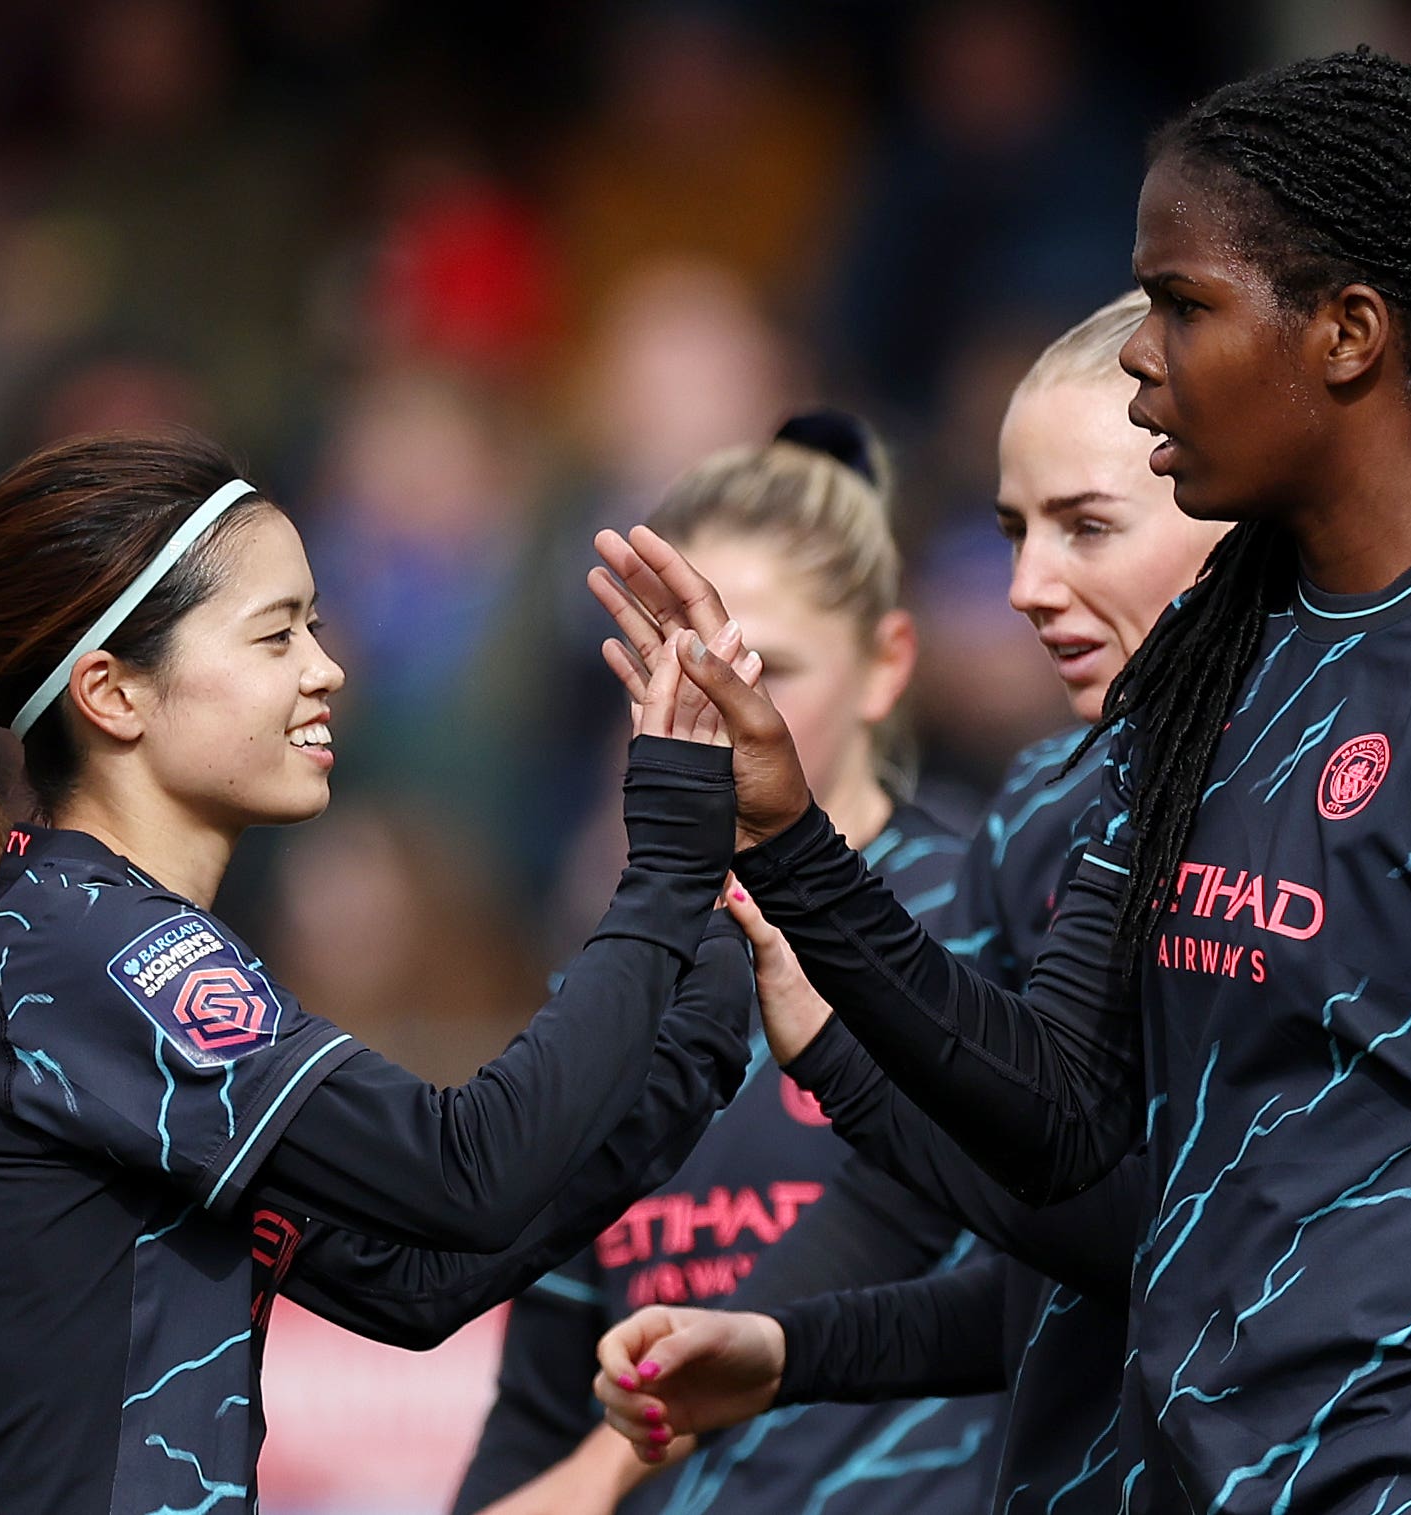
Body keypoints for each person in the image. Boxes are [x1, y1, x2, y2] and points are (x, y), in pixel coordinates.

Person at [590, 51, 1411, 1515]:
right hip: (1201, 1471)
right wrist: (798, 845)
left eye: (1182, 304)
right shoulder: (1213, 670)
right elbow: (1070, 1127)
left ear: (1347, 333)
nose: (1140, 354)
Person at [0, 429, 758, 1514]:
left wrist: (702, 1013)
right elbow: (467, 1171)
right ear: (113, 694)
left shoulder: (84, 939)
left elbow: (414, 1280)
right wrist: (671, 856)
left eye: (313, 623)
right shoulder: (104, 953)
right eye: (276, 636)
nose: (326, 668)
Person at [584, 292, 1223, 1515]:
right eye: (1011, 531)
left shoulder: (1337, 773)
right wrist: (776, 1348)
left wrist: (827, 1021)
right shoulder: (1058, 800)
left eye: (1087, 525)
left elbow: (1126, 1225)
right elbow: (1069, 1255)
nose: (1027, 583)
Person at [452, 414, 999, 1515]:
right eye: (676, 668)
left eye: (768, 668)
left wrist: (606, 1469)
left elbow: (1056, 1272)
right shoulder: (618, 971)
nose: (722, 710)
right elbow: (547, 1377)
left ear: (888, 665)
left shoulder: (992, 913)